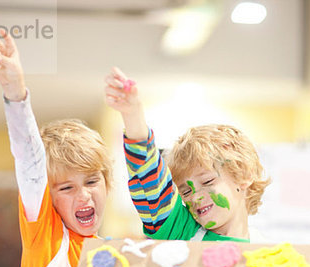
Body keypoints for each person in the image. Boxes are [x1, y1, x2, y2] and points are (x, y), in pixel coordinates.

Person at [0, 30, 113, 267]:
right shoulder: (43, 234)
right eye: (67, 188)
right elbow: (29, 159)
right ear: (49, 197)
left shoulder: (114, 256)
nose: (84, 196)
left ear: (107, 183)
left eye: (91, 182)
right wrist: (15, 93)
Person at [104, 67, 270, 242]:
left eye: (207, 181)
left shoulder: (268, 251)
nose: (196, 197)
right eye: (186, 191)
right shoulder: (183, 232)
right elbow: (150, 179)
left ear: (244, 175)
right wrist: (132, 114)